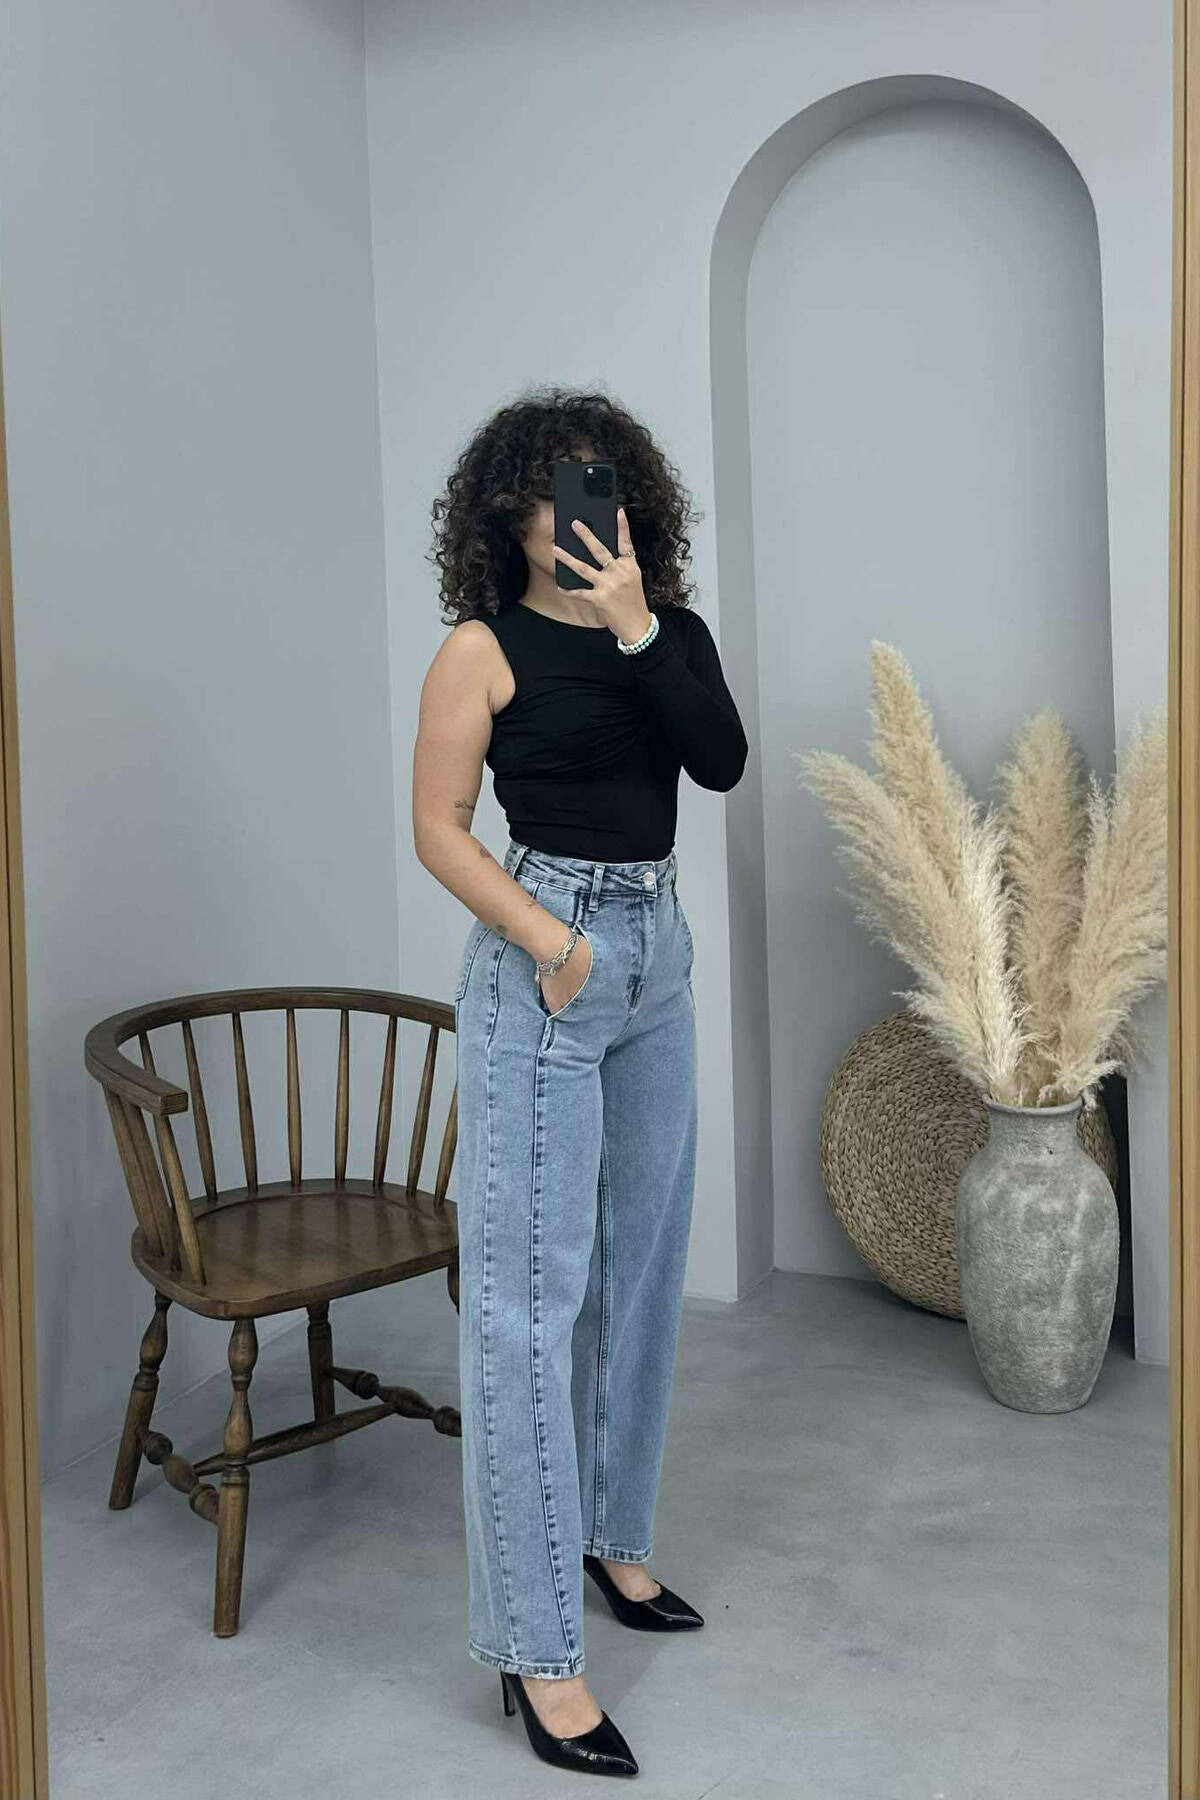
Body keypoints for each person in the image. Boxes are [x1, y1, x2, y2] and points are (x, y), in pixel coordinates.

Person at [412, 387, 748, 1776]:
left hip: (657, 954)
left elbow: (719, 764)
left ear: (631, 506)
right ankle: (537, 1649)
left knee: (640, 1267)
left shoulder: (669, 633)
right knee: (525, 1310)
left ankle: (613, 1540)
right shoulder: (479, 651)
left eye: (598, 488)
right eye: (552, 491)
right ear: (511, 515)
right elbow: (439, 828)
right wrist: (553, 945)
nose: (577, 515)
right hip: (544, 952)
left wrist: (636, 627)